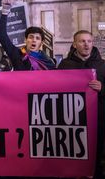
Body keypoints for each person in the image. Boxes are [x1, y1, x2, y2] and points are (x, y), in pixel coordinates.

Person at [57, 30, 105, 179]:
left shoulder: (102, 64)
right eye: (82, 41)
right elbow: (56, 87)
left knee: (96, 154)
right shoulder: (65, 65)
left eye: (89, 41)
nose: (86, 44)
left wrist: (103, 88)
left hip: (98, 119)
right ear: (74, 44)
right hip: (73, 120)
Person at [0, 0, 55, 71]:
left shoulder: (48, 61)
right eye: (31, 37)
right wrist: (5, 12)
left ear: (42, 43)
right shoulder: (17, 54)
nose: (34, 40)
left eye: (37, 38)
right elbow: (2, 36)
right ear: (25, 39)